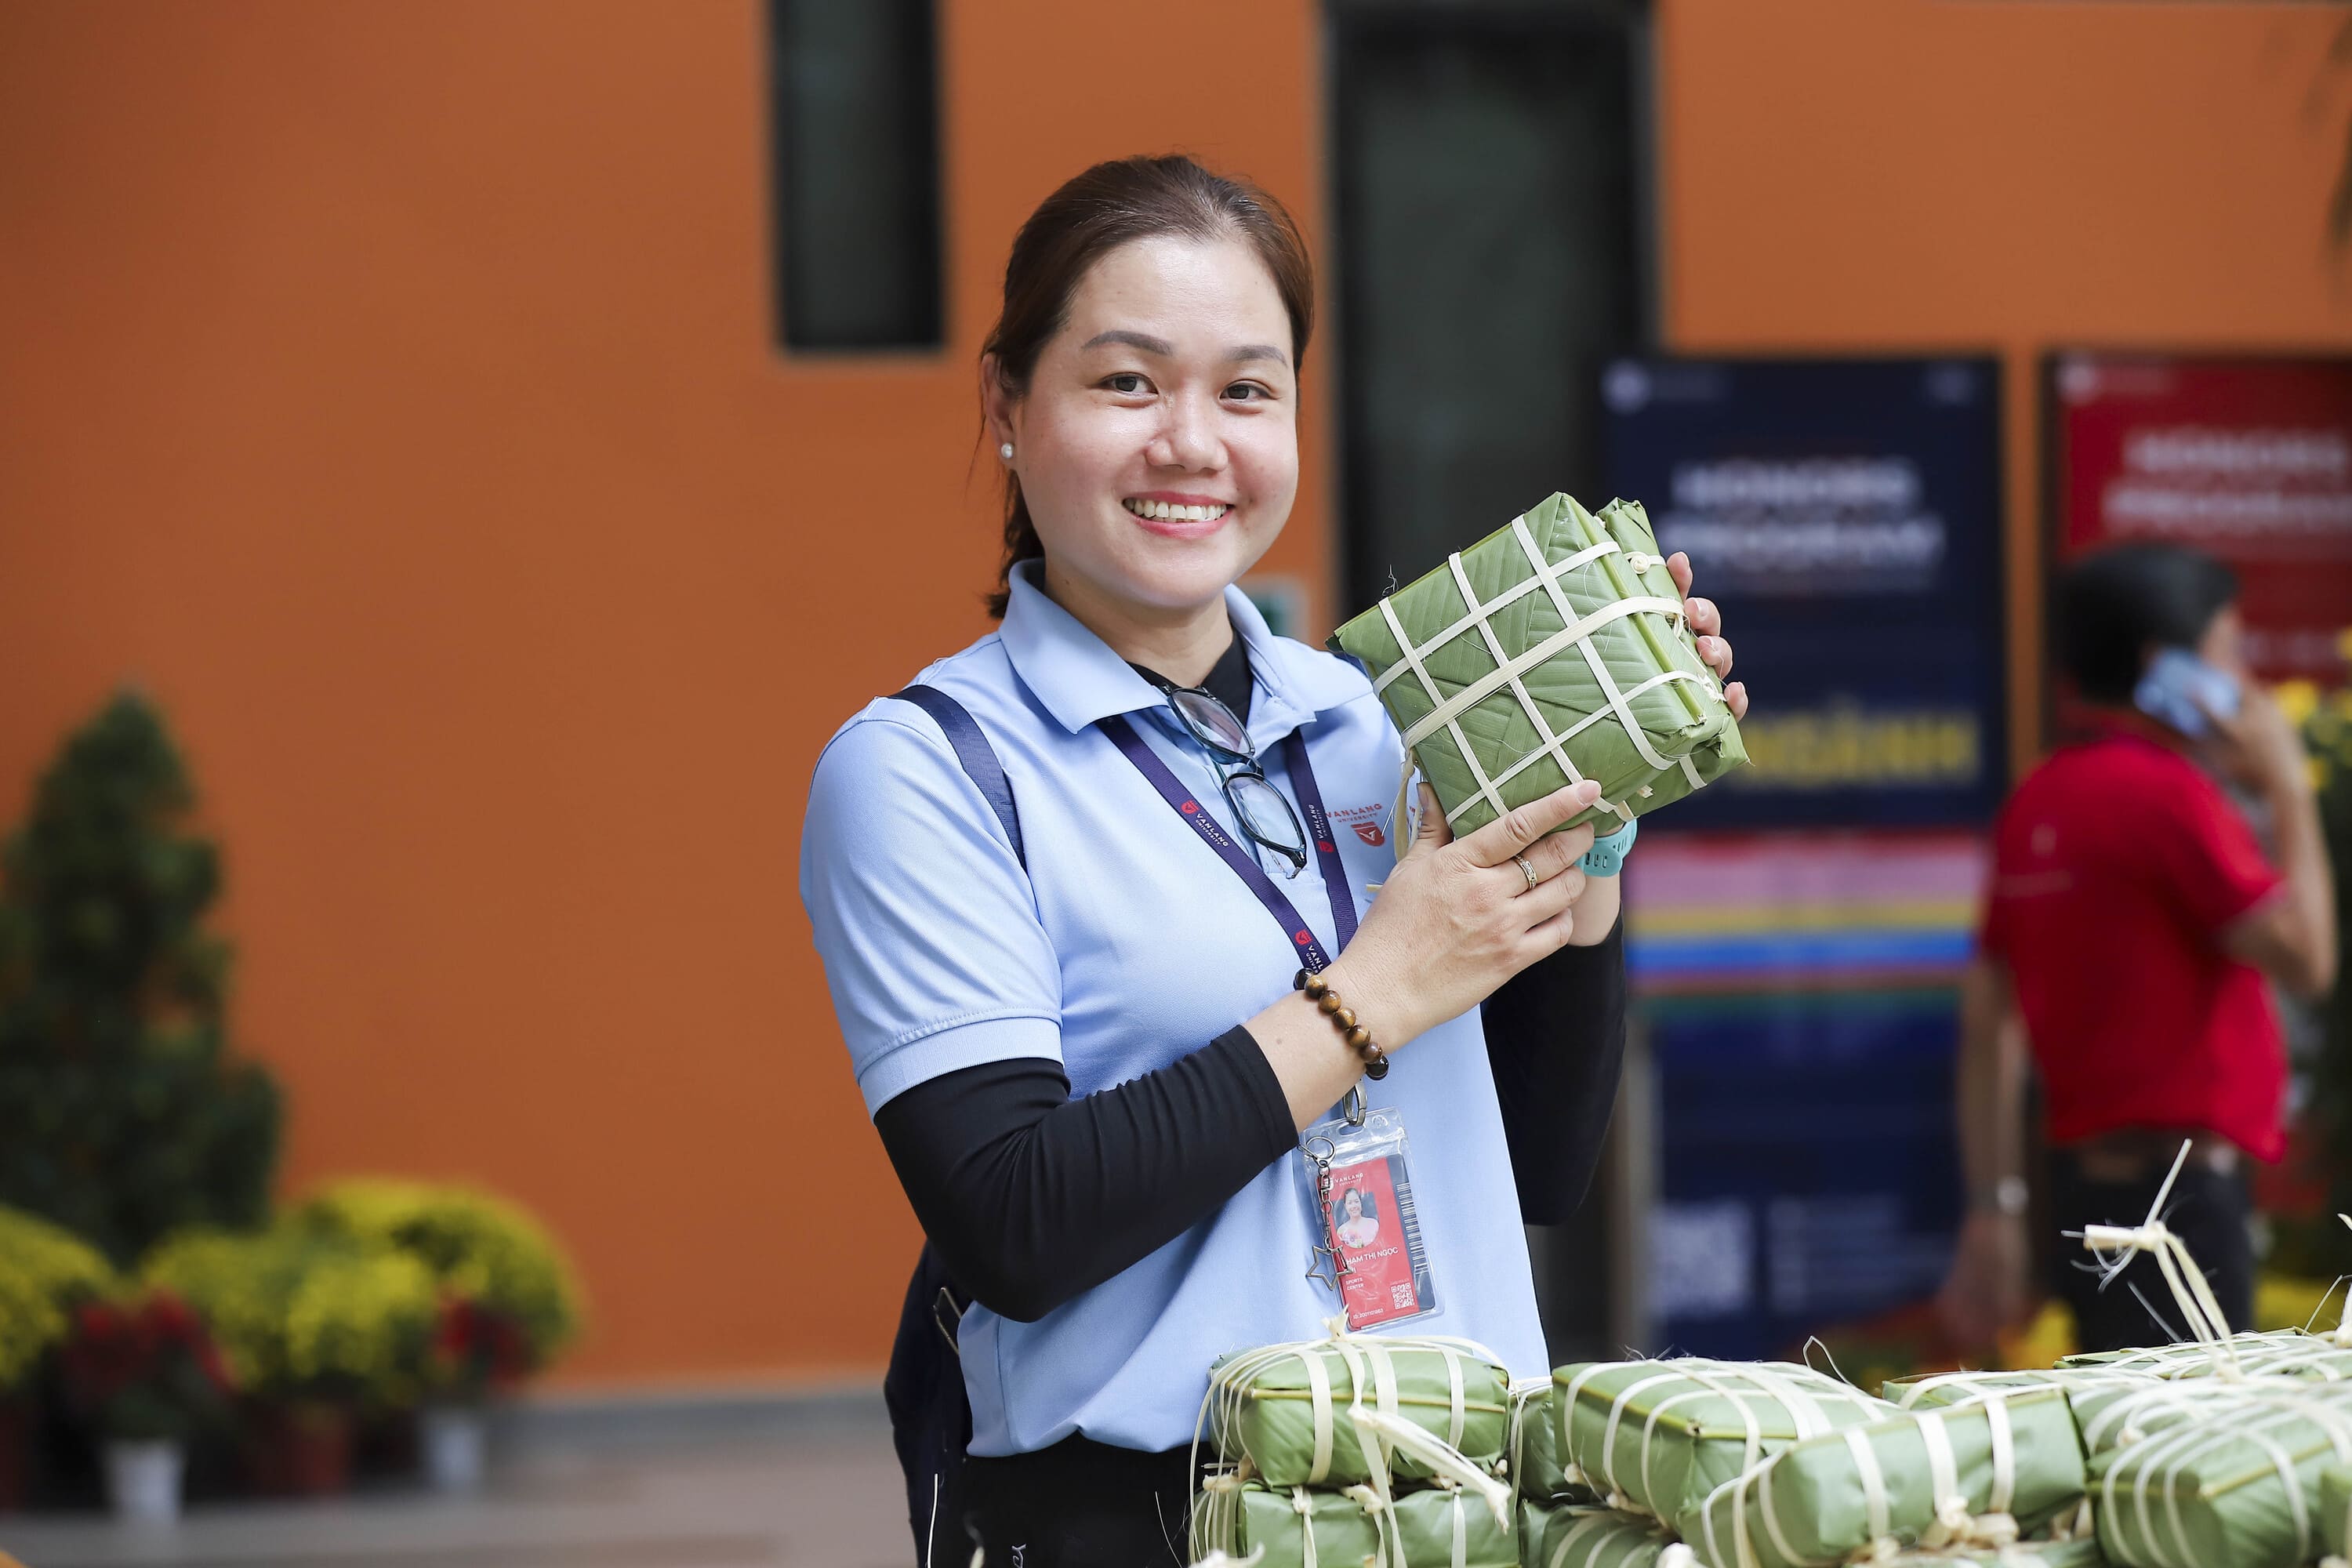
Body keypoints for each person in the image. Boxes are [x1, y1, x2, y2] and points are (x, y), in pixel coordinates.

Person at [798, 154, 1745, 1566]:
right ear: (1006, 404)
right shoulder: (926, 767)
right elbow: (1012, 1222)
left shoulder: (1383, 713)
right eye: (1128, 383)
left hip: (1464, 1502)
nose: (1192, 443)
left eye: (1247, 390)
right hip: (1150, 1520)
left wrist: (1590, 817)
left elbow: (1534, 1167)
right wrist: (1377, 989)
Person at [1939, 543, 2336, 1358]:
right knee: (2197, 1433)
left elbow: (1987, 1024)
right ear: (2167, 669)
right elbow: (2309, 958)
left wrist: (1994, 1206)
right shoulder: (2172, 798)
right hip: (2183, 1211)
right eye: (2227, 650)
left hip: (2084, 1195)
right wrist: (2288, 784)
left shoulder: (2039, 797)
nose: (2244, 682)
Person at [1334, 1186, 1379, 1250]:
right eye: (1350, 1203)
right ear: (1345, 1206)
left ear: (1360, 1202)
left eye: (1356, 1201)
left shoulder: (1374, 1224)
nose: (1354, 1206)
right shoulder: (1341, 1231)